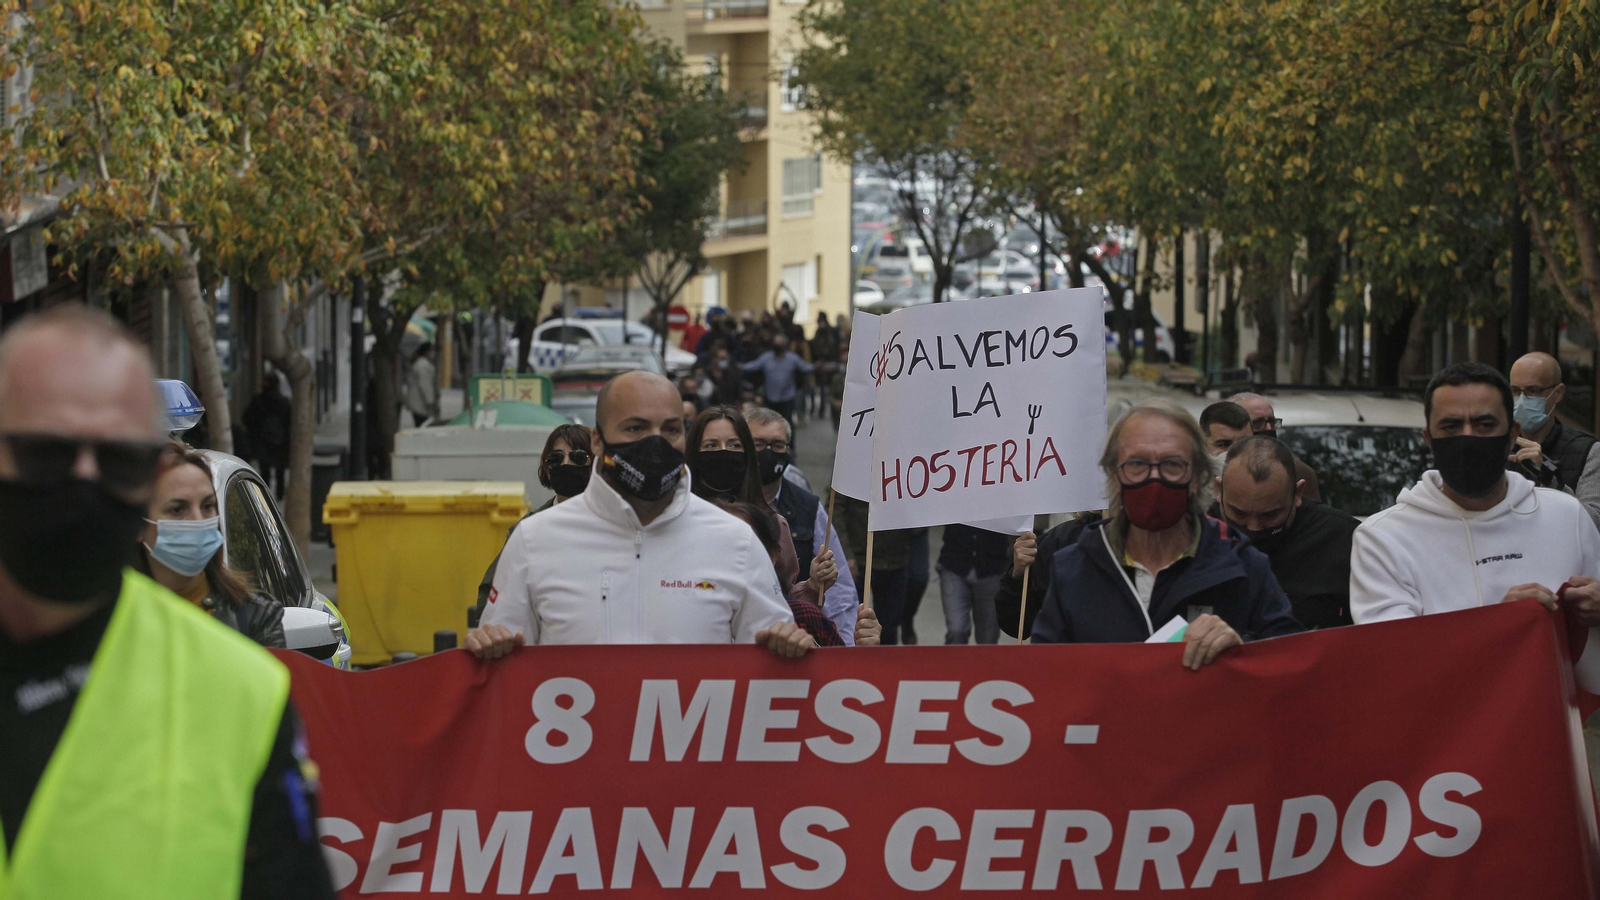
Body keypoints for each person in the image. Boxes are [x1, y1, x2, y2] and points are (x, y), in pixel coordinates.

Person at [0, 305, 333, 897]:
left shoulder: (241, 695)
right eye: (46, 452)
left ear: (151, 472)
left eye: (118, 459)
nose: (83, 479)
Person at [465, 371, 814, 658]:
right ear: (598, 441)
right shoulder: (535, 540)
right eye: (635, 428)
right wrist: (488, 648)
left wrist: (791, 646)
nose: (656, 442)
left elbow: (771, 656)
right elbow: (505, 663)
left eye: (671, 429)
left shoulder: (735, 541)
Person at [1032, 400, 1302, 668]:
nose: (1155, 479)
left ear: (1196, 477)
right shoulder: (1073, 569)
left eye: (1172, 464)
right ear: (1114, 475)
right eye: (1137, 463)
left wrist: (1241, 648)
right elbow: (1046, 679)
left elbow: (1290, 668)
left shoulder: (1243, 567)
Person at [1350, 363, 1600, 623]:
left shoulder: (1568, 516)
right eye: (1451, 426)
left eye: (1484, 424)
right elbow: (1395, 654)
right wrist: (1497, 623)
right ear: (1429, 439)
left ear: (1512, 435)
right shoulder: (1383, 539)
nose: (1468, 438)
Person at [685, 407, 839, 630]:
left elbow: (783, 606)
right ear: (694, 454)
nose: (723, 452)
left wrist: (813, 586)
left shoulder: (773, 525)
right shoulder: (674, 522)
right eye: (711, 445)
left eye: (734, 445)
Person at [134, 442, 287, 646]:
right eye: (178, 510)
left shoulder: (255, 617)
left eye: (207, 506)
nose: (199, 520)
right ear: (137, 525)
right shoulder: (107, 619)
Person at [1217, 436, 1359, 628]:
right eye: (1238, 513)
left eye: (1270, 515)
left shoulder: (1345, 541)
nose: (1253, 527)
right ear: (1219, 491)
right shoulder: (1194, 536)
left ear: (1298, 493)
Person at [745, 407, 858, 642]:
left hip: (796, 639)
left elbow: (840, 592)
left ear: (788, 450)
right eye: (758, 444)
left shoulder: (807, 507)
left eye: (777, 445)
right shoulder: (723, 503)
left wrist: (845, 652)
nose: (768, 452)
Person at [476, 425, 592, 613]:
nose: (566, 464)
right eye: (556, 458)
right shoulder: (526, 531)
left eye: (578, 457)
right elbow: (490, 597)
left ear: (595, 466)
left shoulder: (616, 525)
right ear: (546, 470)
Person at [719, 501, 843, 646]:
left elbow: (841, 667)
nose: (727, 557)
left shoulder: (803, 617)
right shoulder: (691, 612)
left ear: (772, 557)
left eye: (741, 546)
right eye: (717, 545)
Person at [1508, 352, 1600, 529]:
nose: (1521, 401)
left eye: (1532, 391)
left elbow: (1594, 524)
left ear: (1558, 394)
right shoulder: (1497, 446)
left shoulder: (1588, 451)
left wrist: (1550, 479)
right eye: (1514, 391)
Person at [1227, 391, 1322, 503]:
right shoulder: (1216, 470)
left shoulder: (1299, 472)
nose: (1268, 428)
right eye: (1258, 423)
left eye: (1272, 422)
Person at [937, 523, 1010, 644]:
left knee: (988, 637)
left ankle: (983, 663)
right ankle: (955, 662)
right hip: (954, 564)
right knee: (956, 630)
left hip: (992, 568)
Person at [742, 334, 813, 431]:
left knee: (787, 423)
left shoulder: (792, 358)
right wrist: (741, 366)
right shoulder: (766, 357)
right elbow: (754, 365)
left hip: (787, 396)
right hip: (771, 396)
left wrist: (818, 367)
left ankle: (789, 444)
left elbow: (804, 367)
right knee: (771, 422)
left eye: (780, 343)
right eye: (776, 343)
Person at [243, 370, 290, 498]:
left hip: (262, 442)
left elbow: (246, 418)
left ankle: (266, 499)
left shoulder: (257, 400)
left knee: (265, 473)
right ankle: (279, 498)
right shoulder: (283, 402)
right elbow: (289, 423)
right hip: (280, 442)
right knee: (280, 473)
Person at [404, 341, 439, 428]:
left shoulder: (420, 363)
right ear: (427, 351)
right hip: (420, 404)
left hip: (417, 403)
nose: (433, 353)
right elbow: (425, 385)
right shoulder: (423, 365)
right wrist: (430, 402)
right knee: (423, 427)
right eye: (432, 350)